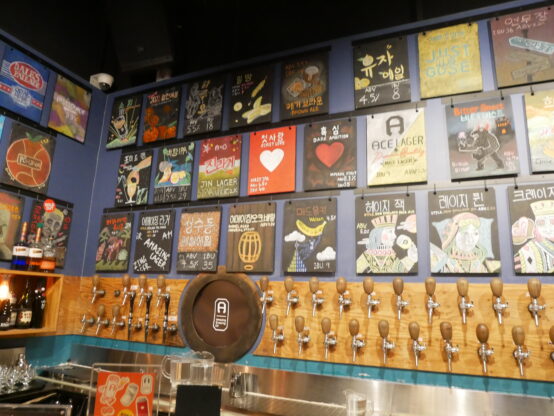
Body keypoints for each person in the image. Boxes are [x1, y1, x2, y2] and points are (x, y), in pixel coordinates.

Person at [431, 212, 499, 273]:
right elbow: (433, 272)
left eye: (475, 234)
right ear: (453, 235)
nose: (471, 239)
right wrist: (449, 240)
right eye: (465, 233)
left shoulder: (478, 263)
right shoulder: (444, 260)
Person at [512, 200, 554, 273]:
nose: (548, 228)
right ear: (535, 226)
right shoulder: (526, 252)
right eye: (541, 223)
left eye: (552, 222)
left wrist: (542, 242)